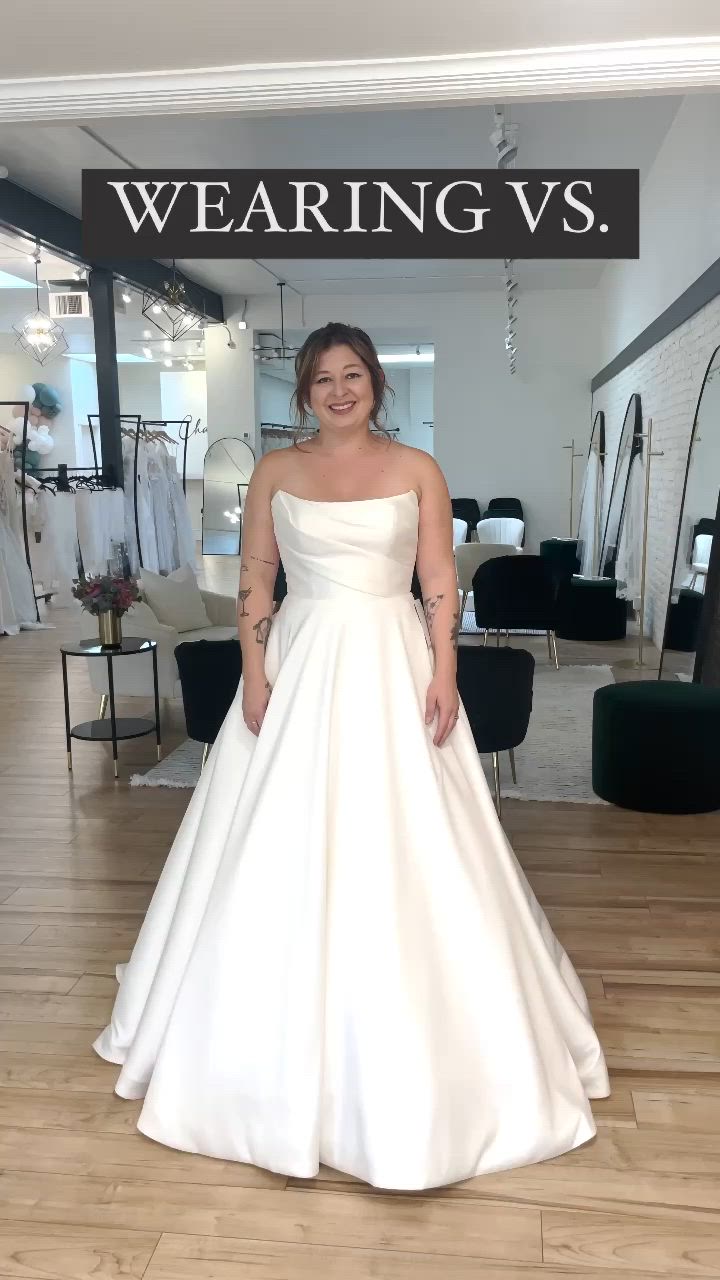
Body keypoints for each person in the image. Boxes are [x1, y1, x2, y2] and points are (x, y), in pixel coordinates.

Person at [93, 322, 609, 1191]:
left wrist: (445, 667)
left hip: (392, 659)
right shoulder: (276, 472)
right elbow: (257, 577)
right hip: (300, 660)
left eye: (354, 375)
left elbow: (439, 579)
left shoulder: (417, 471)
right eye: (322, 378)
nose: (339, 390)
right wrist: (254, 672)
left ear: (376, 384)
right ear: (303, 393)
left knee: (411, 839)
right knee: (270, 836)